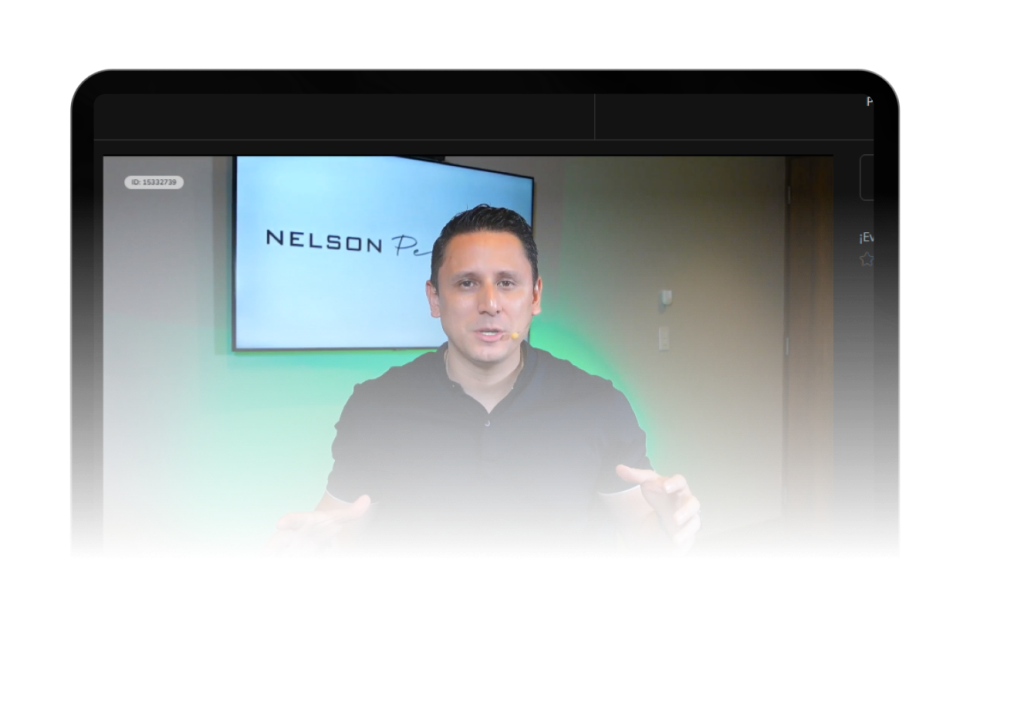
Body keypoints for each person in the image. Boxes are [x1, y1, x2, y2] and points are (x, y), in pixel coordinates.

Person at [260, 204, 701, 557]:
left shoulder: (598, 405)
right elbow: (343, 531)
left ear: (535, 296)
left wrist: (670, 526)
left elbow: (644, 540)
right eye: (467, 283)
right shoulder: (376, 405)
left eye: (507, 283)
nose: (490, 303)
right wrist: (321, 545)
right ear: (435, 298)